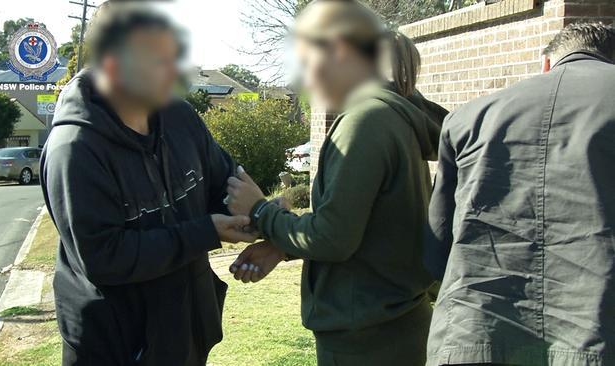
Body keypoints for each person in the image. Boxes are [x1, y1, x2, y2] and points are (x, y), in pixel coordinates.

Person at [225, 0, 447, 364]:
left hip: (366, 340)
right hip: (392, 327)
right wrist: (282, 246)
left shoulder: (366, 121)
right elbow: (365, 227)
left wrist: (261, 210)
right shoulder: (389, 114)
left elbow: (332, 238)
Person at [40, 4, 256, 365]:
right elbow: (104, 257)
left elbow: (225, 184)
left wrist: (262, 215)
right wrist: (205, 232)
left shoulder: (179, 118)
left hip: (184, 334)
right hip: (117, 347)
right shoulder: (75, 150)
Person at [424, 22, 615, 366]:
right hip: (596, 339)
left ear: (545, 64)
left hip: (473, 336)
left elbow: (438, 250)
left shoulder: (469, 116)